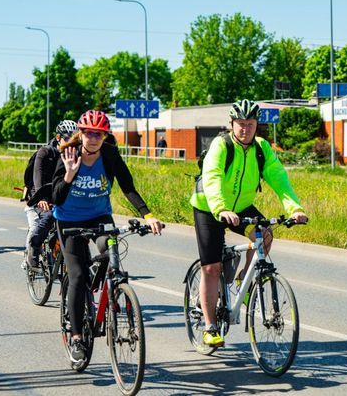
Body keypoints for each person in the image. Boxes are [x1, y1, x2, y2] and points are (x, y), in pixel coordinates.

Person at [190, 99, 308, 348]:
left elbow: (279, 179)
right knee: (212, 268)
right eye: (241, 124)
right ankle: (210, 328)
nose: (245, 129)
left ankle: (244, 279)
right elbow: (212, 177)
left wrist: (295, 209)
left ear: (256, 126)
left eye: (250, 124)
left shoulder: (262, 148)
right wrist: (221, 208)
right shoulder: (221, 145)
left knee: (265, 234)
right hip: (209, 206)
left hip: (241, 206)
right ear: (232, 124)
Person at [52, 110, 162, 363]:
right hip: (69, 220)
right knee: (77, 275)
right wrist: (69, 174)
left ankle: (112, 294)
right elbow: (56, 197)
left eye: (98, 135)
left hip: (99, 216)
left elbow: (127, 187)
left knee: (110, 253)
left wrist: (148, 215)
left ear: (105, 136)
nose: (93, 139)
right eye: (89, 133)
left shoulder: (110, 154)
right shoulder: (68, 153)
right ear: (81, 134)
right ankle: (77, 337)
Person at [25, 120, 78, 270]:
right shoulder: (45, 152)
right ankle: (34, 246)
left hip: (60, 192)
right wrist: (41, 198)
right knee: (49, 216)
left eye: (75, 140)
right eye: (68, 139)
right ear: (58, 137)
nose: (71, 143)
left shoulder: (74, 153)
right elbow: (38, 176)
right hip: (41, 192)